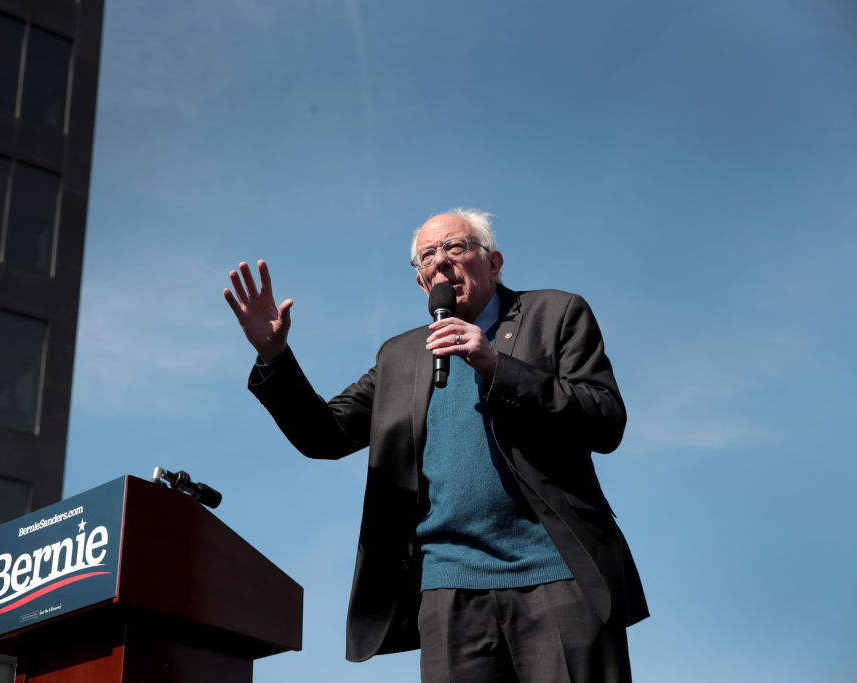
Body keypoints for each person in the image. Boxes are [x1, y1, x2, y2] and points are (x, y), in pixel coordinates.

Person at [223, 208, 648, 682]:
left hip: (557, 576)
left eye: (456, 248)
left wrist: (496, 364)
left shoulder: (556, 313)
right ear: (422, 283)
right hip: (448, 591)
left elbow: (604, 420)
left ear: (494, 262)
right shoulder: (399, 356)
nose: (441, 262)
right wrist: (274, 358)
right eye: (427, 255)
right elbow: (325, 435)